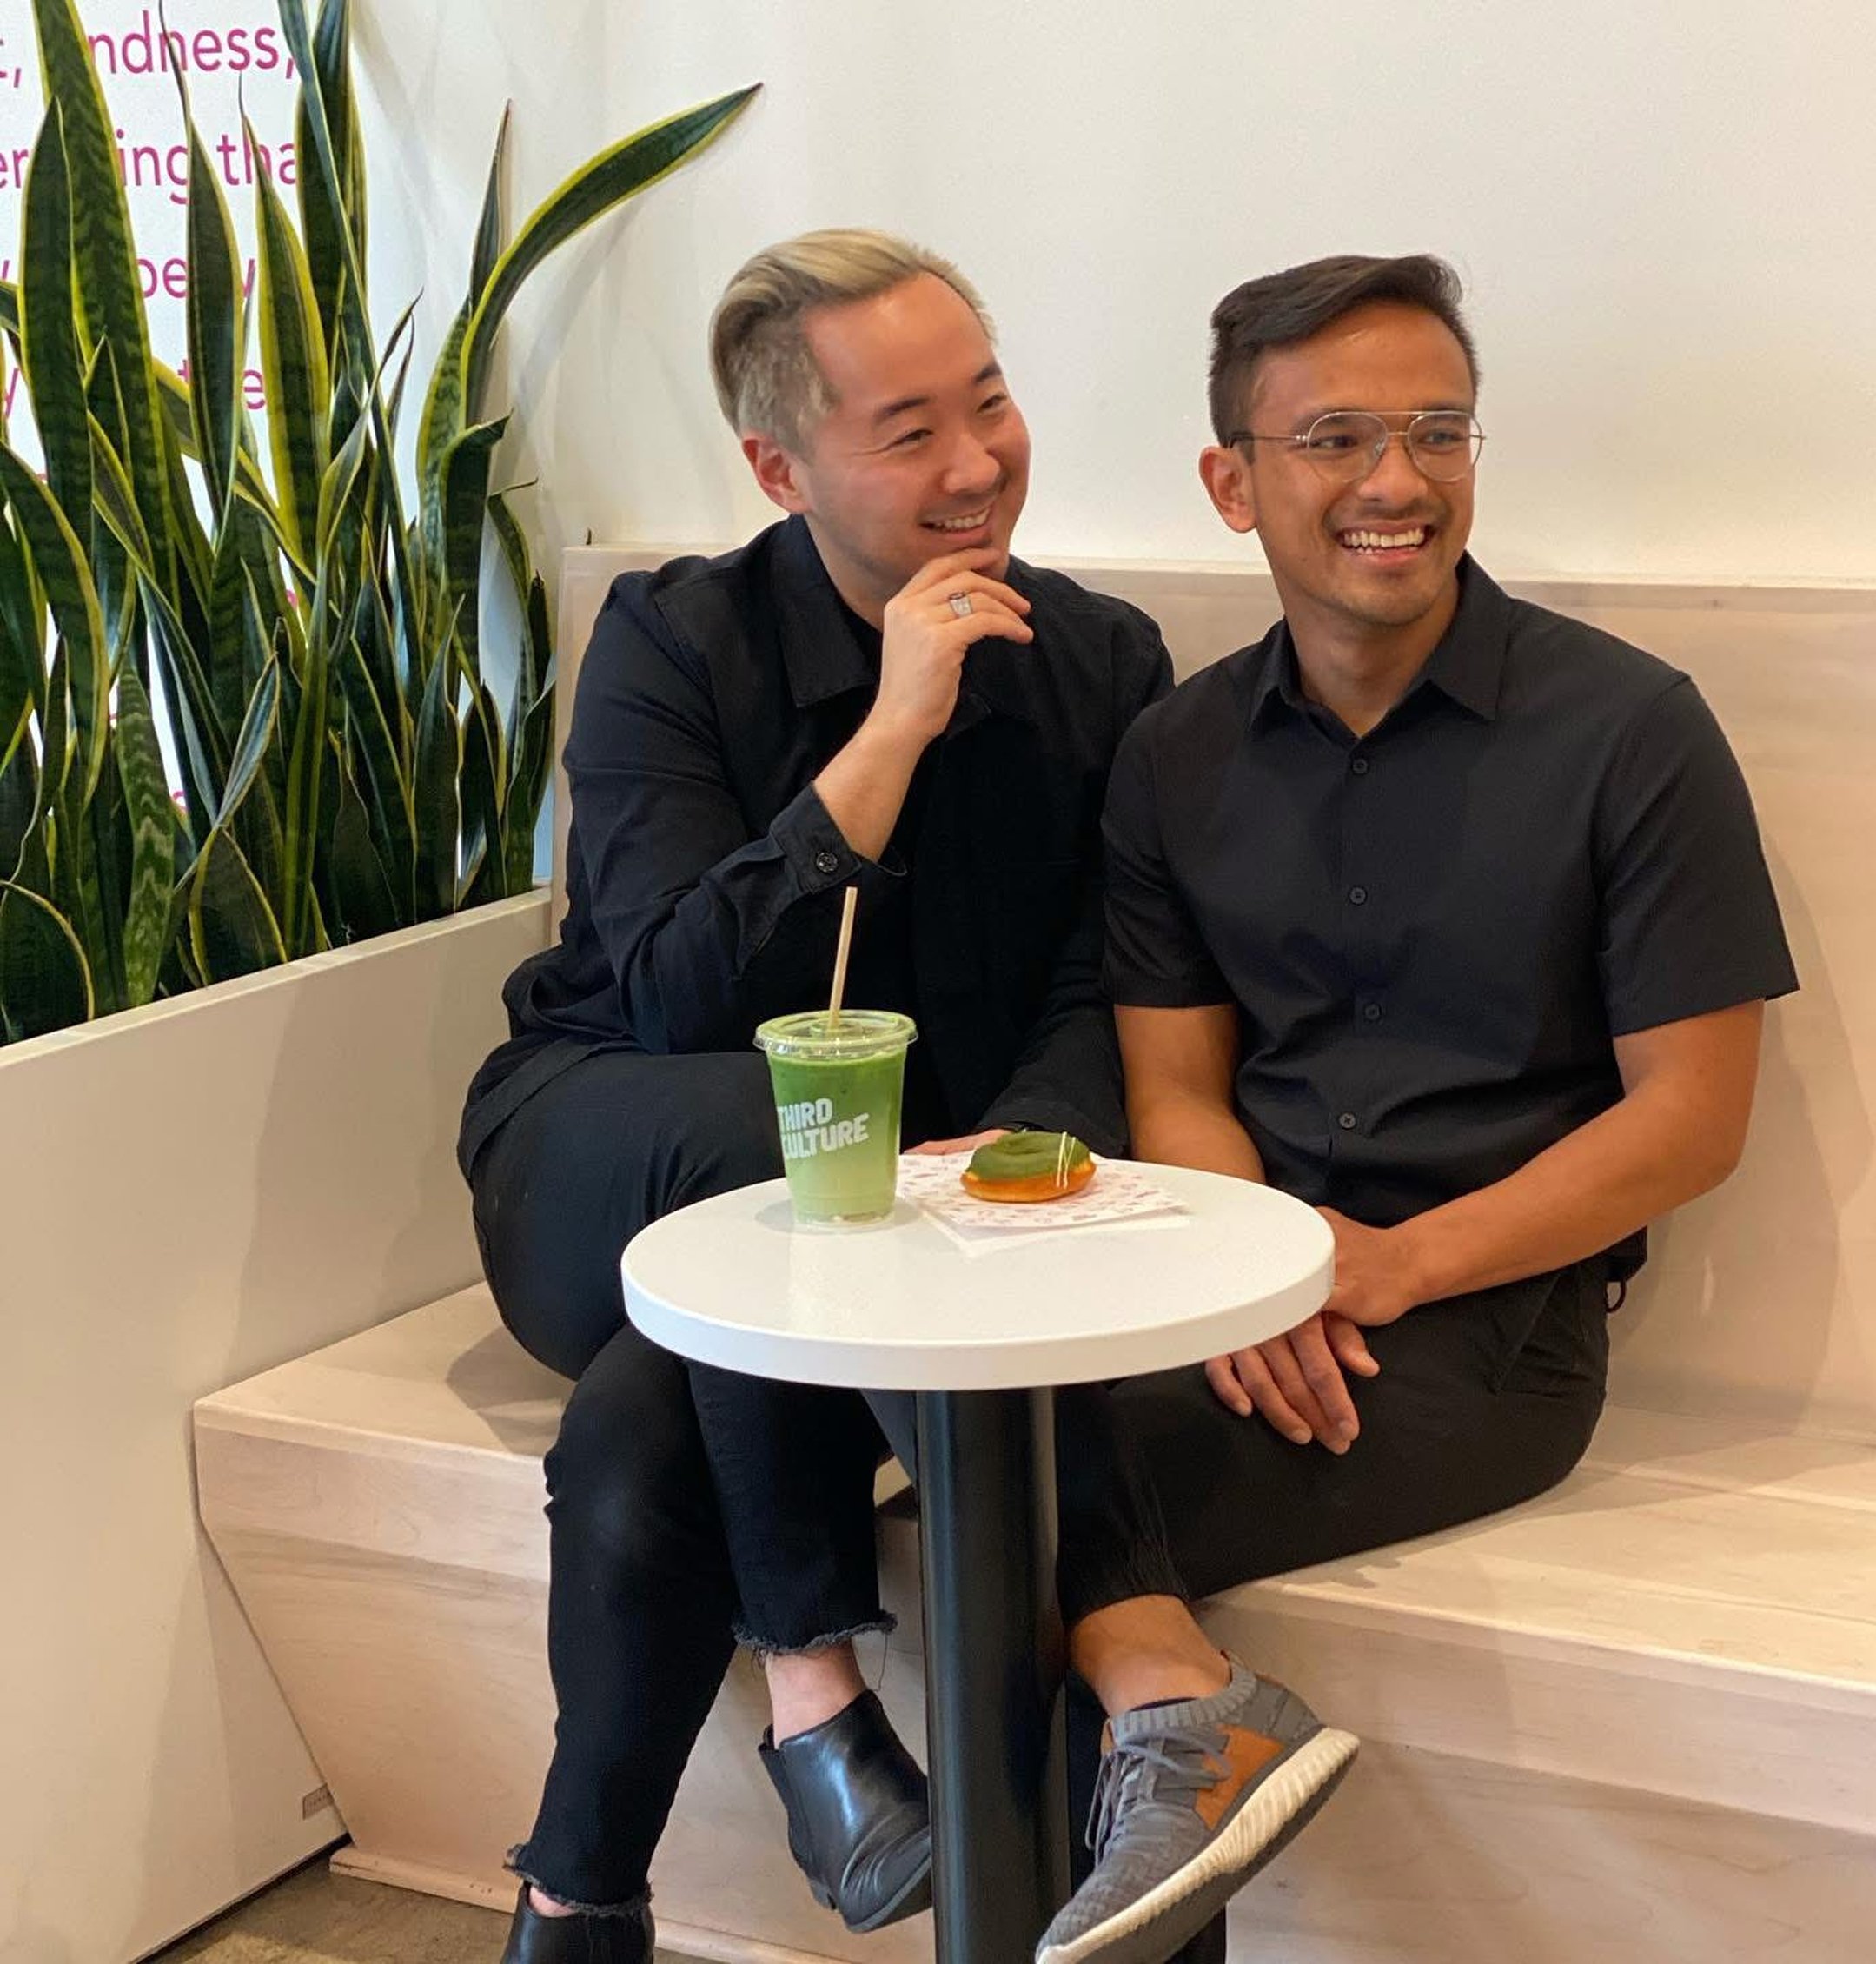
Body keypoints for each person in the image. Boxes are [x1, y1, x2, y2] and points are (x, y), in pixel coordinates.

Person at [461, 229, 1355, 1964]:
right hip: (605, 1144)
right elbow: (664, 991)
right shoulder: (674, 640)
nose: (975, 463)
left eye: (991, 401)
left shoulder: (1096, 660)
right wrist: (883, 735)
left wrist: (1001, 1157)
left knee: (651, 1420)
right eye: (907, 429)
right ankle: (917, 1680)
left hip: (880, 1232)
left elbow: (1111, 979)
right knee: (775, 1128)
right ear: (780, 469)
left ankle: (578, 1901)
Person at [1083, 250, 1798, 1954]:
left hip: (1493, 1325)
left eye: (1434, 431)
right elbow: (1172, 1080)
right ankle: (1168, 1726)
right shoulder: (1172, 753)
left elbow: (1691, 1118)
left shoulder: (1628, 728)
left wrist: (1384, 1267)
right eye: (1332, 436)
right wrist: (1248, 1273)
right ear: (1229, 480)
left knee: (1020, 1510)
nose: (1394, 482)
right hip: (1244, 1288)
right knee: (956, 1447)